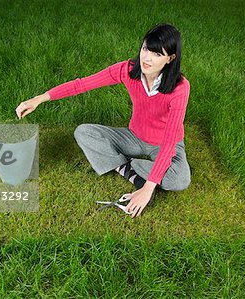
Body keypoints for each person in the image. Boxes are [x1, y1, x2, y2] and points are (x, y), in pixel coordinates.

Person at [15, 23, 191, 218]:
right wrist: (39, 98)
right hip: (134, 136)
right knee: (84, 132)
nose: (147, 58)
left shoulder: (180, 87)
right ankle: (130, 171)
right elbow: (82, 84)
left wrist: (147, 189)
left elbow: (169, 140)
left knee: (179, 180)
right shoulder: (128, 70)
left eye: (157, 54)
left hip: (167, 144)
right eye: (145, 49)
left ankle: (126, 164)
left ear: (170, 59)